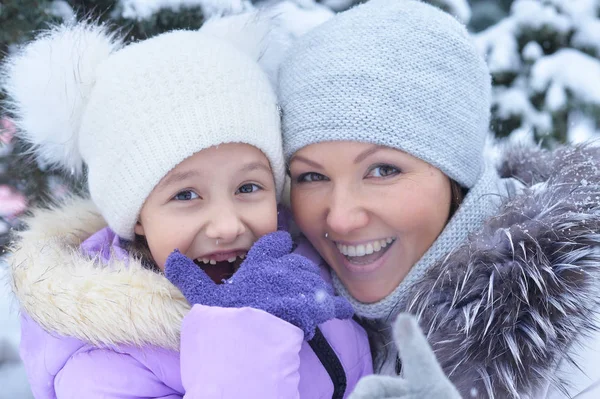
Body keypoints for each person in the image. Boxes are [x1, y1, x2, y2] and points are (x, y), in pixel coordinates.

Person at [2, 12, 372, 398]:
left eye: (248, 187)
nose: (227, 225)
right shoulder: (102, 361)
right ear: (137, 216)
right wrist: (244, 342)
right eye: (185, 195)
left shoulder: (310, 262)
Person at [278, 0, 600, 397]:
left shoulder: (585, 341)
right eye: (312, 175)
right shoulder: (288, 320)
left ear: (456, 173)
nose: (341, 219)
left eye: (383, 170)